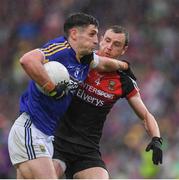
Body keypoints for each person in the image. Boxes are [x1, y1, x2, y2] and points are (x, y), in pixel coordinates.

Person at [8, 13, 129, 179]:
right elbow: (28, 60)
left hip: (46, 136)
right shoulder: (61, 48)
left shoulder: (85, 59)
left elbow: (104, 63)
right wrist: (51, 87)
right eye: (92, 34)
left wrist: (123, 65)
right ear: (74, 34)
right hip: (31, 129)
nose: (96, 40)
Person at [53, 25, 163, 179]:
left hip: (87, 151)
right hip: (57, 141)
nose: (109, 47)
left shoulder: (124, 82)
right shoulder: (82, 59)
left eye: (116, 44)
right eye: (107, 41)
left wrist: (156, 138)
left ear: (124, 50)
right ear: (101, 40)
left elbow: (145, 114)